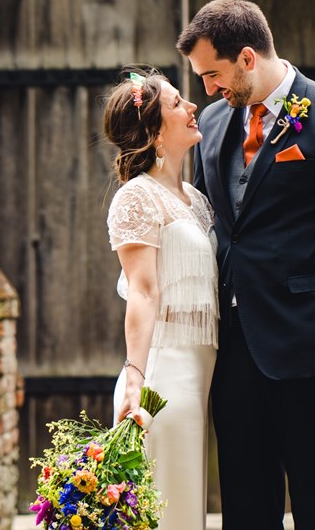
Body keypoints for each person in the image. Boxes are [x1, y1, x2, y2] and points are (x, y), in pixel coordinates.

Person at [178, 0, 315, 530]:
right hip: (234, 355)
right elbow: (209, 230)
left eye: (213, 74)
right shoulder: (216, 124)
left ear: (247, 58)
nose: (207, 90)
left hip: (312, 358)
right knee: (244, 512)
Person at [103, 67, 218, 530]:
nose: (192, 108)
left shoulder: (195, 199)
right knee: (165, 512)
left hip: (202, 375)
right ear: (153, 131)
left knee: (186, 508)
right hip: (163, 377)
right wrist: (136, 376)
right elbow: (144, 292)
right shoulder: (136, 199)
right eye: (177, 103)